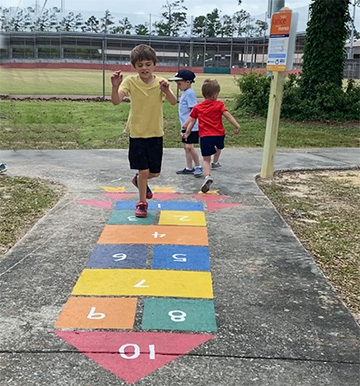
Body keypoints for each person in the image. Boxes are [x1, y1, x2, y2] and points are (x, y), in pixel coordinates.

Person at [111, 44, 177, 218]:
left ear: (154, 64)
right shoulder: (130, 82)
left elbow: (173, 101)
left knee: (153, 172)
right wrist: (115, 86)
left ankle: (139, 180)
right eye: (140, 65)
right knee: (144, 171)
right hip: (138, 133)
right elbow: (116, 101)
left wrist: (166, 90)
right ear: (134, 67)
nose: (144, 68)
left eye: (148, 64)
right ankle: (142, 203)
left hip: (155, 133)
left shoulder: (160, 82)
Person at [183, 79, 241, 193]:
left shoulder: (198, 107)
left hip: (205, 136)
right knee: (219, 147)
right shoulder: (219, 105)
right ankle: (216, 161)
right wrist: (237, 126)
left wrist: (188, 132)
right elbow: (228, 116)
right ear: (215, 95)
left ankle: (208, 176)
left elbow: (192, 121)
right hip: (219, 134)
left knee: (205, 159)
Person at [168, 69, 202, 177]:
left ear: (188, 82)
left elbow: (194, 111)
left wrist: (187, 125)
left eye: (179, 83)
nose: (178, 86)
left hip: (191, 127)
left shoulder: (190, 93)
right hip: (186, 125)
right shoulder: (185, 93)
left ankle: (198, 166)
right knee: (186, 147)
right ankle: (189, 167)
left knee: (189, 147)